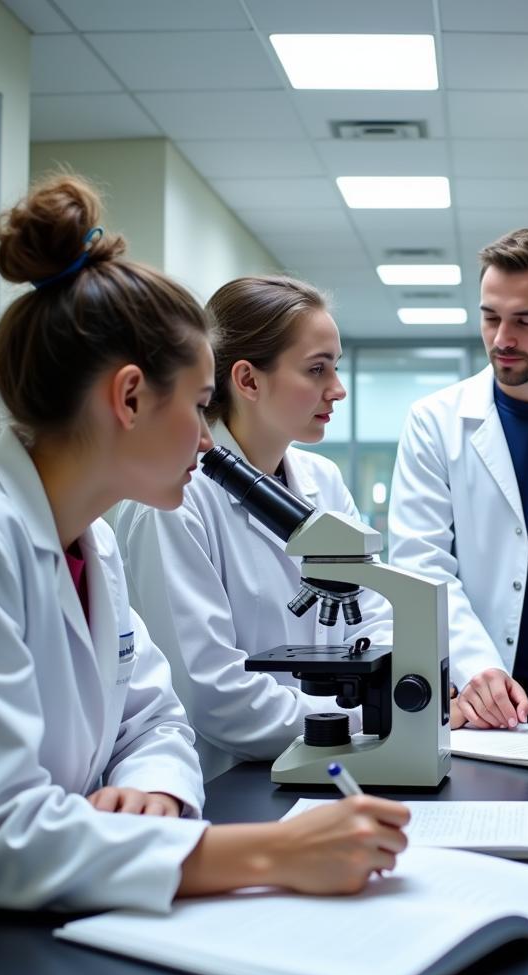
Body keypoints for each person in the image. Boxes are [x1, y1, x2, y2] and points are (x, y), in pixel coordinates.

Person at [0, 177, 408, 940]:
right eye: (200, 402)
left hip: (83, 914)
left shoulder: (93, 539)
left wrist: (157, 796)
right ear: (131, 398)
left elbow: (155, 717)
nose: (208, 440)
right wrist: (271, 851)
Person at [116, 276, 391, 781]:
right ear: (247, 380)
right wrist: (368, 717)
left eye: (336, 366)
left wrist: (390, 704)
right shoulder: (175, 500)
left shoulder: (323, 481)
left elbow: (374, 615)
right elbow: (214, 693)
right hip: (229, 779)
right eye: (316, 369)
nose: (338, 388)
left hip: (337, 765)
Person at [388, 228, 528, 730]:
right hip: (477, 701)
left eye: (526, 321)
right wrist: (478, 666)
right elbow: (420, 564)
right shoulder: (435, 421)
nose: (502, 339)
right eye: (490, 317)